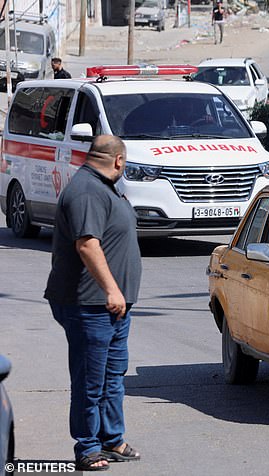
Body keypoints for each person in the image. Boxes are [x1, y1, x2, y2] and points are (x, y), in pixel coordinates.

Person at [44, 135, 142, 472]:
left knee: (113, 377)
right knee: (90, 380)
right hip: (90, 305)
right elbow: (87, 245)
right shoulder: (86, 190)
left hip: (111, 306)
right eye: (125, 164)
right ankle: (87, 447)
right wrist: (112, 289)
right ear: (118, 161)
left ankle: (111, 439)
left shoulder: (103, 186)